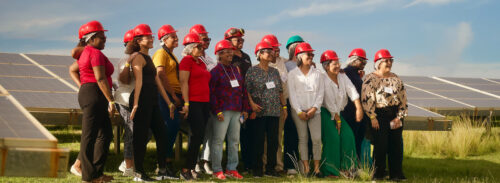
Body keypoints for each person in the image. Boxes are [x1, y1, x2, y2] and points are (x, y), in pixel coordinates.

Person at [127, 24, 176, 181]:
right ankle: (138, 173)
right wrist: (135, 104)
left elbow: (158, 83)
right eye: (148, 37)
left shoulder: (148, 58)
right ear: (139, 40)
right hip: (140, 100)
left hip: (152, 100)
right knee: (140, 138)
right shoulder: (137, 57)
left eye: (151, 36)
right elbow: (138, 83)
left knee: (162, 134)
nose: (151, 39)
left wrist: (169, 102)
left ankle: (162, 170)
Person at [69, 20, 114, 183]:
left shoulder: (89, 51)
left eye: (104, 36)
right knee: (89, 136)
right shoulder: (93, 53)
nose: (105, 39)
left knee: (105, 134)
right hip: (94, 95)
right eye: (101, 37)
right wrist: (111, 100)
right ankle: (88, 177)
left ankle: (96, 173)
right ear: (92, 38)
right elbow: (100, 78)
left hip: (93, 94)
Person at [361, 49, 407, 181]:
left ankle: (396, 175)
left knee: (396, 145)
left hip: (395, 115)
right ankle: (378, 174)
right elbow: (366, 99)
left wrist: (399, 117)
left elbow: (403, 98)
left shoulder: (396, 78)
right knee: (381, 146)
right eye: (386, 61)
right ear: (378, 63)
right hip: (379, 115)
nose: (389, 63)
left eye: (390, 60)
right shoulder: (370, 78)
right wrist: (372, 117)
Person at [209, 40, 250, 180]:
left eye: (231, 52)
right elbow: (212, 93)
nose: (231, 54)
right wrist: (217, 110)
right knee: (218, 140)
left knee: (234, 141)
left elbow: (243, 90)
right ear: (219, 54)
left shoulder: (236, 69)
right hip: (222, 111)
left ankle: (231, 169)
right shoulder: (214, 71)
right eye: (227, 52)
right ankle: (217, 170)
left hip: (237, 110)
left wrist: (245, 109)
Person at [245, 41, 287, 178]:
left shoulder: (275, 72)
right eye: (268, 51)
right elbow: (246, 90)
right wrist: (251, 105)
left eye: (272, 51)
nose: (271, 53)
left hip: (275, 111)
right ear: (259, 54)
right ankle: (257, 169)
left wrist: (284, 107)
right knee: (258, 141)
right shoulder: (252, 70)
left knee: (273, 141)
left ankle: (271, 169)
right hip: (259, 111)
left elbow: (280, 91)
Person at [319, 50, 363, 178]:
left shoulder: (343, 76)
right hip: (325, 112)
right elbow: (327, 99)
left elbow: (352, 90)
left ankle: (347, 169)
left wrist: (358, 107)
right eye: (334, 64)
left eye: (338, 63)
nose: (338, 66)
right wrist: (336, 118)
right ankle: (330, 170)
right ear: (326, 66)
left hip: (338, 112)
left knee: (348, 135)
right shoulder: (322, 78)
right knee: (333, 137)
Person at [287, 42, 324, 177]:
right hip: (299, 112)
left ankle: (317, 168)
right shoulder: (292, 74)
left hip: (315, 111)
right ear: (300, 56)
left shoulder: (318, 74)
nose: (311, 56)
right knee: (303, 138)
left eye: (312, 54)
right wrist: (299, 111)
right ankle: (307, 169)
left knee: (316, 139)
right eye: (308, 54)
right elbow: (292, 94)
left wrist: (314, 108)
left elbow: (320, 93)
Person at [178, 33, 212, 181]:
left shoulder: (201, 62)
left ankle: (191, 168)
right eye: (198, 46)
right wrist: (186, 103)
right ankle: (186, 169)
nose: (201, 48)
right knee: (196, 135)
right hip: (193, 102)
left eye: (201, 45)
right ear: (190, 48)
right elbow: (184, 82)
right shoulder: (186, 61)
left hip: (205, 103)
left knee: (199, 136)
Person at [115, 29, 147, 177]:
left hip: (137, 100)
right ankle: (128, 167)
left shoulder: (143, 58)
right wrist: (129, 63)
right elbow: (125, 80)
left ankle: (127, 163)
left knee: (145, 133)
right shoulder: (125, 61)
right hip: (125, 100)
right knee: (131, 132)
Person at [152, 24, 181, 178]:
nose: (176, 38)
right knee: (168, 128)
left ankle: (167, 162)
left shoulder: (172, 55)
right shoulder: (160, 53)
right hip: (165, 96)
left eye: (176, 36)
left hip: (174, 94)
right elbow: (160, 75)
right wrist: (173, 95)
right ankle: (163, 165)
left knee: (173, 128)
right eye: (173, 36)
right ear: (164, 39)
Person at [224, 27, 253, 172]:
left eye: (242, 39)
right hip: (233, 99)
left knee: (247, 134)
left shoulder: (246, 56)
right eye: (238, 39)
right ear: (228, 41)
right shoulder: (227, 57)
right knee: (231, 135)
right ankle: (230, 166)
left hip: (247, 98)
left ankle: (247, 164)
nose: (241, 41)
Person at [189, 24, 215, 175]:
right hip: (196, 101)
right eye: (204, 39)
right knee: (196, 133)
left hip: (210, 100)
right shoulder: (189, 59)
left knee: (209, 133)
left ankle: (205, 161)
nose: (207, 42)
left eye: (208, 39)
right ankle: (194, 162)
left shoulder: (211, 60)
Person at [262, 34, 288, 173]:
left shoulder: (282, 61)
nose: (276, 51)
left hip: (281, 104)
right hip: (266, 105)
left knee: (278, 137)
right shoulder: (262, 66)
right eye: (273, 49)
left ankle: (278, 165)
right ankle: (265, 164)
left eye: (277, 48)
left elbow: (295, 62)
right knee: (266, 138)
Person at [341, 48, 370, 163]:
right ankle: (350, 164)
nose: (364, 64)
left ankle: (355, 164)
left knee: (357, 140)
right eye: (362, 61)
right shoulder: (345, 72)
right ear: (354, 60)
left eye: (365, 62)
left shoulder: (356, 74)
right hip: (350, 113)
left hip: (358, 113)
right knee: (352, 140)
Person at [282, 35, 304, 175]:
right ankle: (290, 165)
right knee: (291, 135)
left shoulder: (309, 66)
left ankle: (303, 164)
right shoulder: (285, 65)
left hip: (305, 104)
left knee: (304, 136)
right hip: (290, 103)